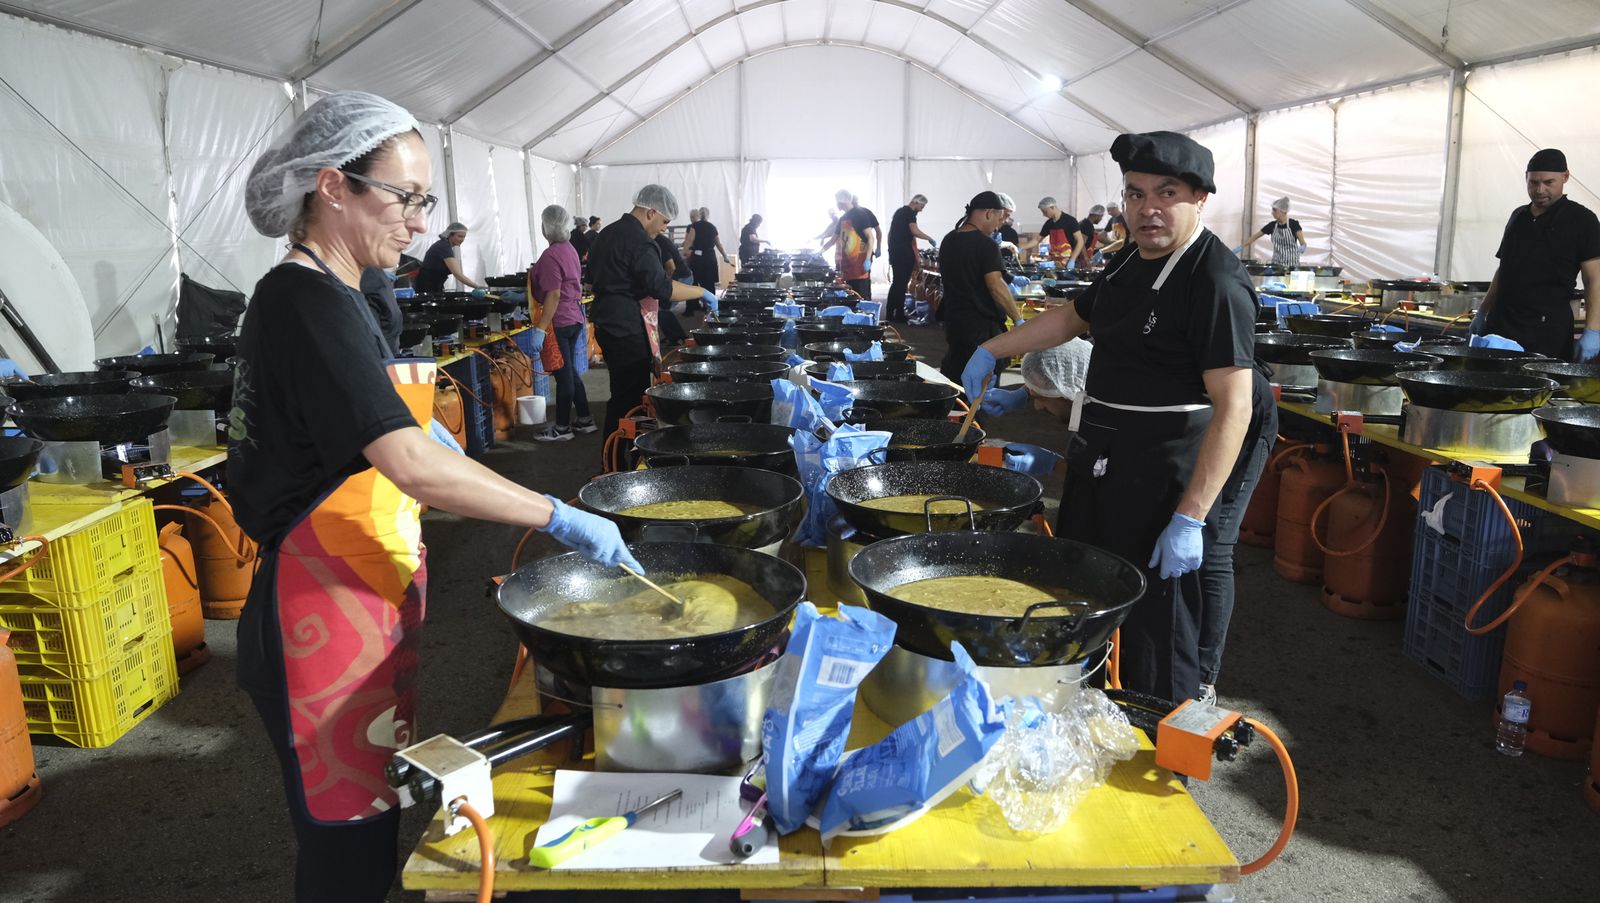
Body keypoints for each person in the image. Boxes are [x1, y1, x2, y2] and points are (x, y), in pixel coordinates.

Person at [233, 91, 639, 903]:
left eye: (426, 199)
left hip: (362, 601)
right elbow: (409, 462)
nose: (420, 220)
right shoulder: (303, 300)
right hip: (316, 615)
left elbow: (390, 423)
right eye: (405, 196)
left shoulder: (347, 293)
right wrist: (559, 514)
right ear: (333, 186)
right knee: (346, 854)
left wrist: (442, 443)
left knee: (377, 823)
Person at [961, 131, 1256, 705]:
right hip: (1109, 447)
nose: (1148, 208)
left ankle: (1162, 724)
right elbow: (1073, 317)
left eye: (1166, 193)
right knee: (1089, 577)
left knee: (1155, 610)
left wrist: (1192, 516)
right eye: (1135, 193)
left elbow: (1235, 405)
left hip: (1171, 458)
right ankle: (1089, 701)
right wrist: (995, 351)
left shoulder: (1212, 280)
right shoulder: (1128, 263)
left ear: (1200, 199)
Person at [588, 184, 720, 438]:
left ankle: (613, 455)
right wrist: (702, 292)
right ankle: (618, 462)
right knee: (630, 399)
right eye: (664, 221)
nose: (664, 228)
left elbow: (591, 280)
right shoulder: (639, 242)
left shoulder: (607, 233)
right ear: (651, 212)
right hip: (626, 328)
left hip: (606, 323)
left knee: (620, 392)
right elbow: (664, 288)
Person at [1472, 148, 1600, 361]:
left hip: (1547, 330)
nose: (1540, 190)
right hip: (1502, 324)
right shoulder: (1518, 216)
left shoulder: (1582, 220)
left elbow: (1594, 279)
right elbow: (1504, 269)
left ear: (1565, 177)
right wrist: (1483, 311)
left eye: (1548, 182)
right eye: (1533, 183)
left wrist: (1594, 330)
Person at [936, 190, 1024, 384]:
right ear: (988, 213)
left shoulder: (948, 240)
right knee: (981, 387)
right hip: (981, 327)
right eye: (998, 219)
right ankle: (976, 414)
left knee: (957, 376)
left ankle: (957, 412)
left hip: (955, 322)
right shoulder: (986, 245)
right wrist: (1017, 319)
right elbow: (995, 286)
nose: (997, 226)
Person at [530, 204, 597, 442]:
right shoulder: (569, 249)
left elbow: (554, 294)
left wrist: (540, 328)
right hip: (574, 317)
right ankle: (585, 419)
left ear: (546, 226)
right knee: (570, 372)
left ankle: (562, 427)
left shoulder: (550, 256)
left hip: (558, 321)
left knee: (563, 376)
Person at [819, 189, 880, 300]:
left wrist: (867, 259)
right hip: (847, 266)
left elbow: (870, 237)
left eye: (837, 201)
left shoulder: (860, 214)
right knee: (850, 297)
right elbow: (833, 240)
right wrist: (820, 251)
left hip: (860, 265)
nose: (836, 204)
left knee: (861, 296)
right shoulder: (842, 219)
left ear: (843, 201)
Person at [886, 194, 937, 322]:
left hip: (895, 252)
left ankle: (891, 313)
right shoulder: (910, 213)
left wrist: (891, 249)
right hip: (904, 253)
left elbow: (890, 233)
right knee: (901, 284)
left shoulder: (899, 212)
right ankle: (898, 315)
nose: (922, 209)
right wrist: (929, 238)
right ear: (916, 202)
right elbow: (915, 231)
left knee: (897, 283)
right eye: (922, 206)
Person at [413, 221, 485, 293]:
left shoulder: (444, 245)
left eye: (464, 237)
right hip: (427, 287)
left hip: (433, 285)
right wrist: (477, 287)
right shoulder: (444, 247)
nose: (462, 239)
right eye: (459, 236)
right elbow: (458, 274)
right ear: (450, 235)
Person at [1239, 197, 1305, 268]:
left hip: (1292, 265)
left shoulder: (1294, 224)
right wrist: (1240, 247)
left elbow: (1302, 243)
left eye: (1275, 210)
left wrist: (1302, 247)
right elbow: (1254, 237)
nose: (1272, 213)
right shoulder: (1272, 225)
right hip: (1276, 264)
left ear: (1283, 211)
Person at [685, 207, 731, 297]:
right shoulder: (712, 227)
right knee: (709, 284)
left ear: (699, 214)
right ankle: (711, 307)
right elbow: (718, 244)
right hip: (710, 258)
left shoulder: (695, 226)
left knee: (694, 282)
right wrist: (725, 255)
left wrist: (683, 254)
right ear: (708, 215)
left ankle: (694, 306)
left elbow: (689, 241)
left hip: (697, 258)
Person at [1026, 197, 1083, 267]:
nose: (1044, 215)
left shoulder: (1070, 221)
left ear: (1052, 207)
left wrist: (1072, 260)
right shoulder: (1049, 223)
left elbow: (1080, 241)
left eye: (1045, 212)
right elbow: (1037, 239)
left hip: (1068, 260)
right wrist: (1022, 248)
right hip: (1055, 262)